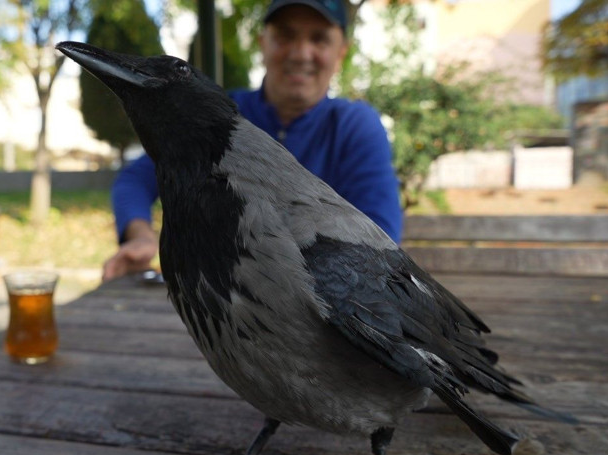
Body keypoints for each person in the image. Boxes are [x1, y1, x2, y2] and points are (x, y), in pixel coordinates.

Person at [102, 0, 402, 281]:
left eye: (319, 38)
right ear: (263, 44)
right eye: (285, 36)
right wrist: (141, 235)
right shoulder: (217, 114)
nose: (300, 53)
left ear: (341, 53)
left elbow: (378, 239)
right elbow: (136, 179)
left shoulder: (354, 126)